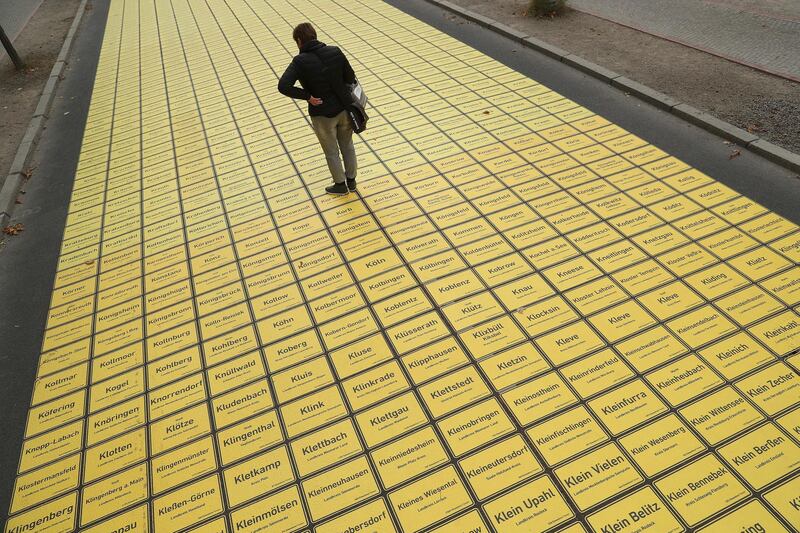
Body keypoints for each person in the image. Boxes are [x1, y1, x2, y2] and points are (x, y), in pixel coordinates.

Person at [278, 23, 358, 195]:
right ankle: (351, 182)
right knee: (348, 145)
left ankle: (340, 185)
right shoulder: (335, 51)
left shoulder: (299, 61)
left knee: (331, 152)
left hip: (322, 114)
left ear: (299, 41)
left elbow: (283, 86)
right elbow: (350, 77)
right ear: (314, 35)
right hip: (344, 109)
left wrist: (308, 97)